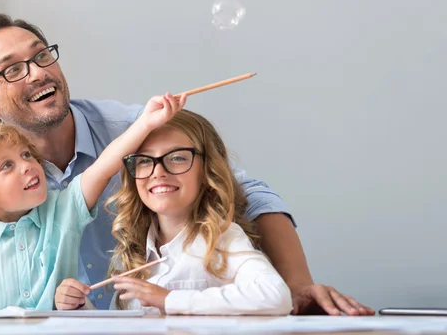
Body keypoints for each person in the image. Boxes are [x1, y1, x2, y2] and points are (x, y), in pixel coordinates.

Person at [0, 14, 374, 316]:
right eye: (12, 70)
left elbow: (250, 193)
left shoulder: (132, 131)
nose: (37, 72)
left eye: (42, 55)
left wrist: (300, 283)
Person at [0, 93, 186, 315]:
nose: (27, 166)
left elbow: (105, 164)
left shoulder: (64, 209)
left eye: (27, 156)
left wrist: (146, 122)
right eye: (7, 166)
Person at [55, 109, 293, 315]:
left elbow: (276, 295)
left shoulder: (223, 238)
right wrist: (80, 306)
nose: (158, 172)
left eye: (177, 158)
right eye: (145, 161)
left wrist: (169, 299)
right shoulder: (132, 252)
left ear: (207, 169)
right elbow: (123, 326)